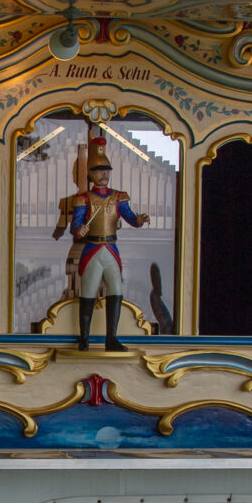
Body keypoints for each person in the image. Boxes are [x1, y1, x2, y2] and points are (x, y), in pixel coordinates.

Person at [56, 130, 146, 352]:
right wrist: (80, 230)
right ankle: (84, 338)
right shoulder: (84, 199)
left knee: (116, 290)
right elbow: (75, 228)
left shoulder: (119, 197)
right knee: (87, 292)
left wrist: (139, 220)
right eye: (99, 171)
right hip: (93, 249)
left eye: (106, 170)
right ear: (91, 174)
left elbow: (130, 217)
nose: (104, 174)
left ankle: (111, 338)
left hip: (111, 247)